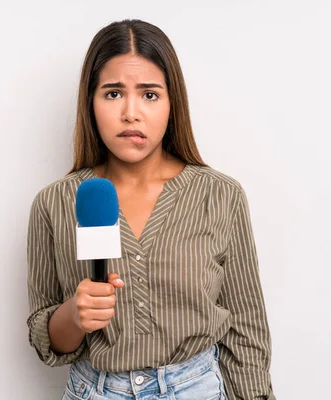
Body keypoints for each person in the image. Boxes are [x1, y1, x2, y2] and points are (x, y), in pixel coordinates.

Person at [27, 19, 276, 400]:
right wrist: (75, 315)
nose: (131, 113)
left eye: (150, 94)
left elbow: (246, 328)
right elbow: (48, 341)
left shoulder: (220, 195)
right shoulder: (55, 203)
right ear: (90, 102)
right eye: (112, 94)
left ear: (172, 103)